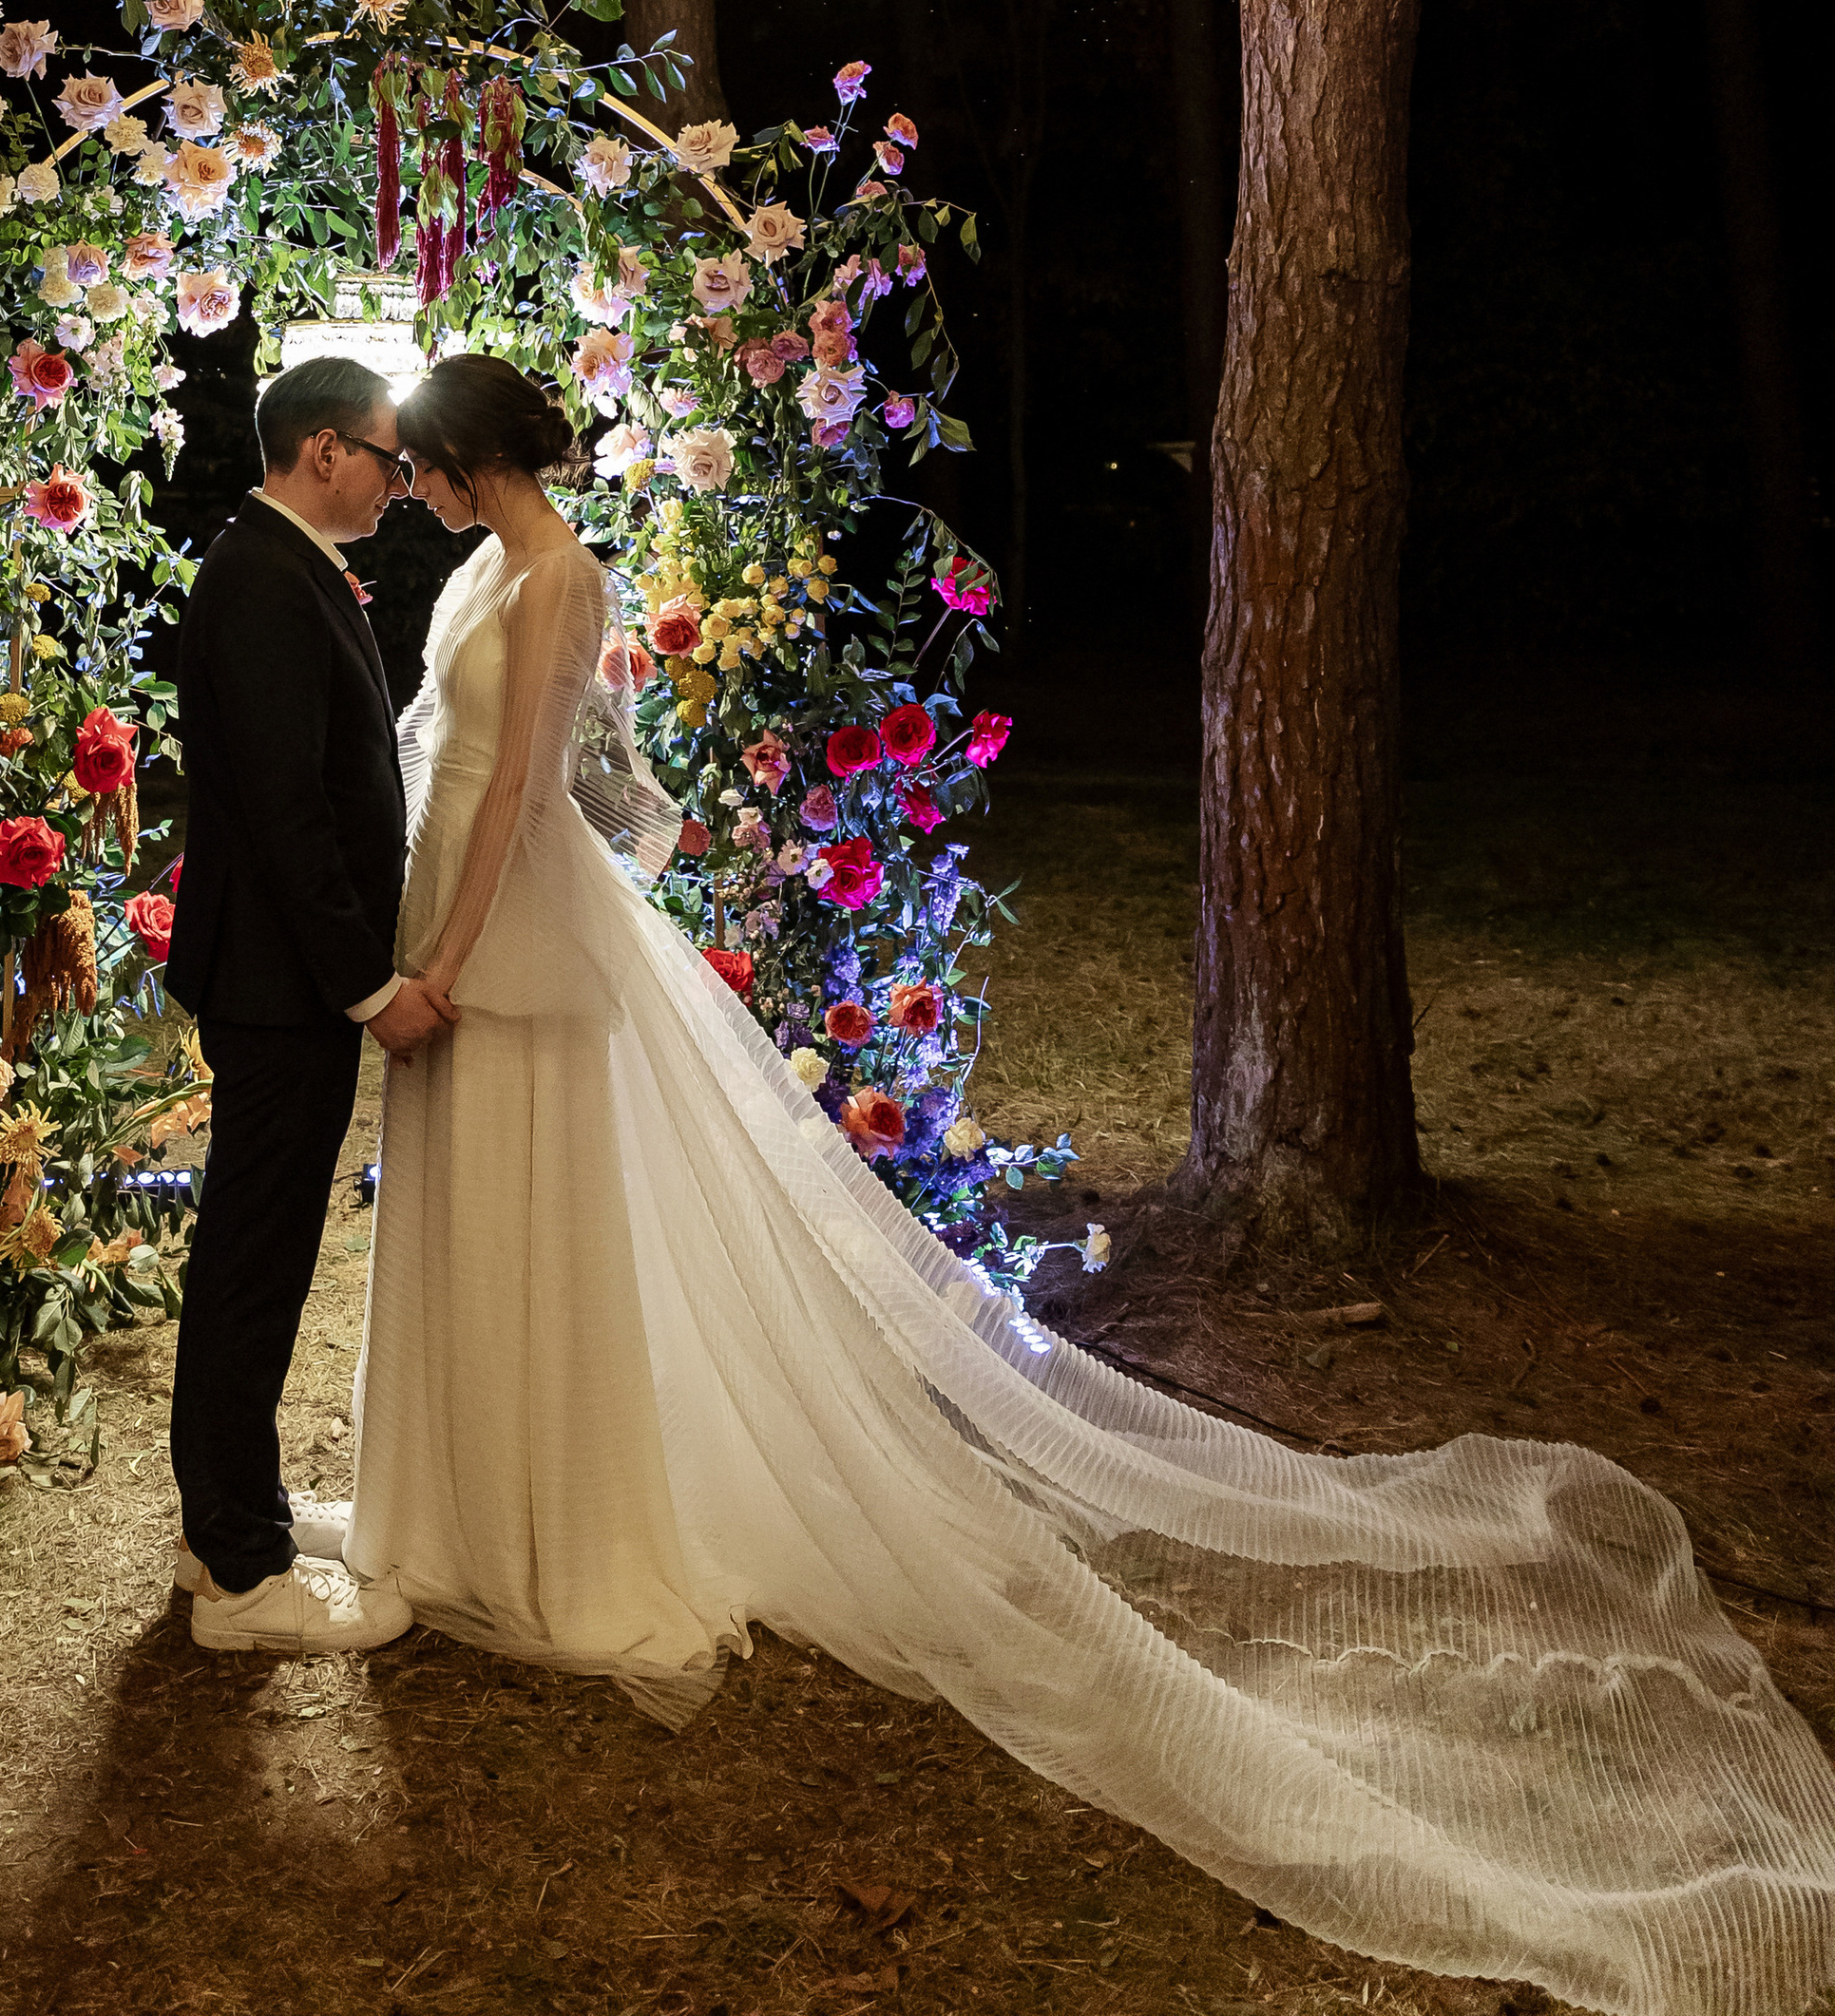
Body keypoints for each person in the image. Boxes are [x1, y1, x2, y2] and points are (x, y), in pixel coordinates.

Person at [327, 352, 1835, 2016]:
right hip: (447, 906)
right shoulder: (476, 565)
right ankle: (446, 1499)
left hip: (512, 920)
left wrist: (450, 951)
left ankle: (552, 1524)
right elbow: (442, 764)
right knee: (468, 1201)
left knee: (546, 1211)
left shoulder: (563, 571)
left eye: (428, 463)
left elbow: (546, 793)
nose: (418, 486)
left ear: (470, 460)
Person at [163, 354, 453, 1655]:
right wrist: (368, 984)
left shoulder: (275, 564)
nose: (399, 485)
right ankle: (237, 1574)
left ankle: (238, 1516)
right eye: (391, 460)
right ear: (325, 450)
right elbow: (287, 817)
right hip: (285, 986)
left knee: (261, 1251)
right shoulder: (263, 581)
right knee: (252, 1259)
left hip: (281, 983)